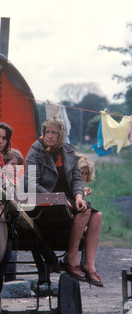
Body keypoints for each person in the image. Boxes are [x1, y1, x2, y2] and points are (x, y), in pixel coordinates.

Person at [24, 117, 103, 287]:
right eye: (47, 132)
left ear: (61, 135)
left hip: (66, 199)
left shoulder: (67, 150)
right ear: (43, 133)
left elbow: (76, 178)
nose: (50, 136)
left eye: (54, 133)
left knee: (97, 216)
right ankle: (72, 258)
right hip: (43, 202)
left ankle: (89, 265)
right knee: (86, 212)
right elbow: (30, 184)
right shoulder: (35, 150)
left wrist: (79, 196)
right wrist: (55, 198)